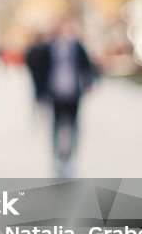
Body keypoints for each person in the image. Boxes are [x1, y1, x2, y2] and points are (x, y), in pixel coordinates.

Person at [36, 17, 97, 178]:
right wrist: (41, 93)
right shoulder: (50, 48)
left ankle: (71, 158)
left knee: (74, 126)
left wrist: (89, 83)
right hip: (56, 92)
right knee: (56, 126)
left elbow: (87, 66)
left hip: (73, 92)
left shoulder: (77, 46)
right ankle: (57, 158)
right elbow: (40, 69)